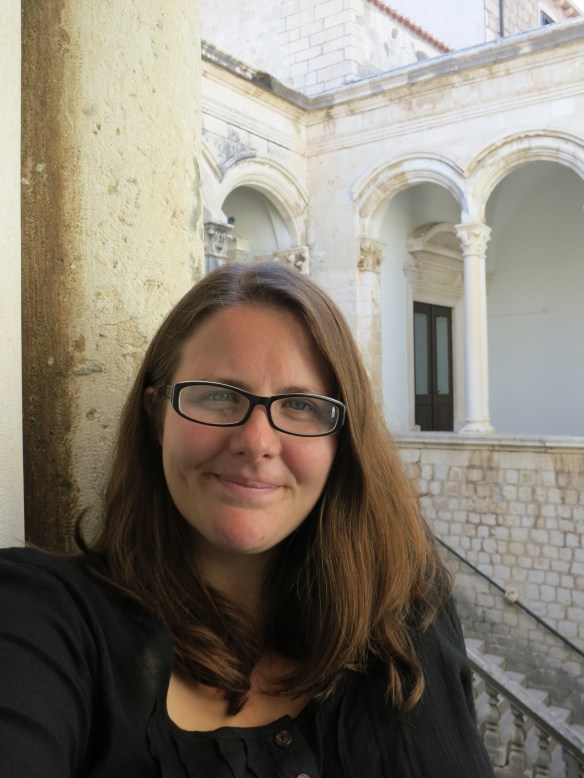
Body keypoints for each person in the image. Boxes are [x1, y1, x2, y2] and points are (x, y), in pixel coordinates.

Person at [0, 261, 495, 777]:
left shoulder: (408, 609)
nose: (257, 443)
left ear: (343, 439)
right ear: (156, 415)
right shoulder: (43, 618)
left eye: (300, 405)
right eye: (218, 396)